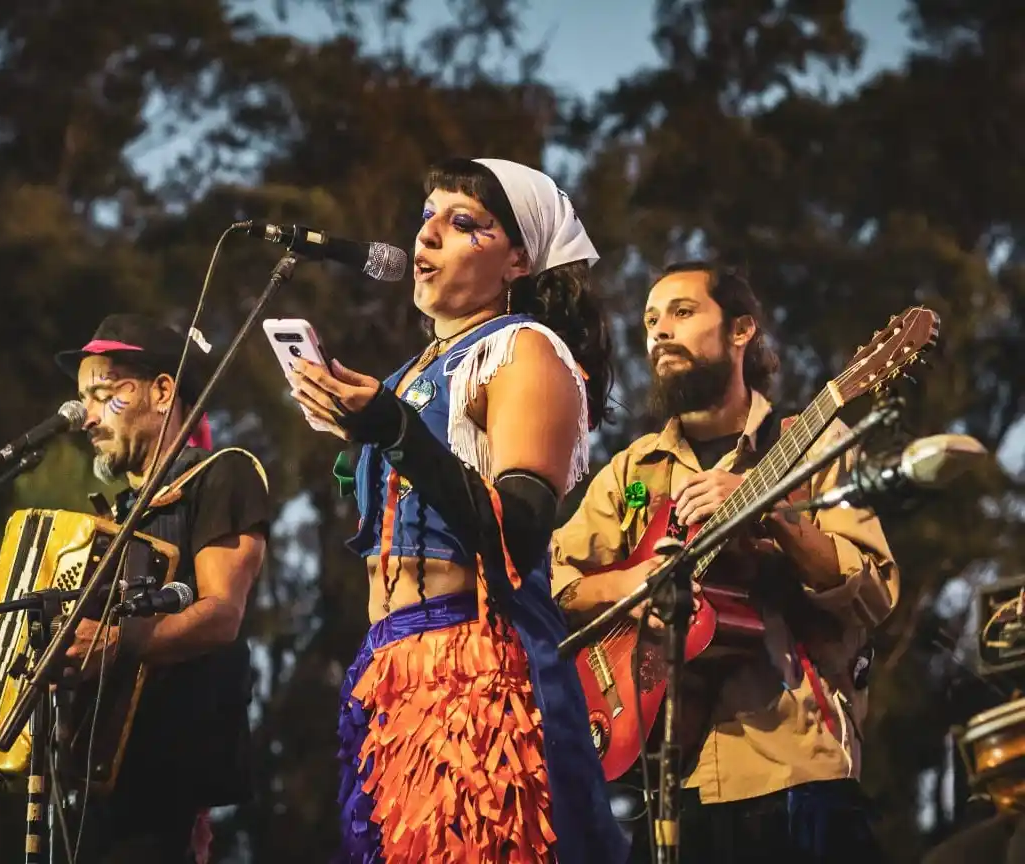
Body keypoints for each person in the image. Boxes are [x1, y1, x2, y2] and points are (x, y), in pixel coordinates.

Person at [288, 157, 628, 862]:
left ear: (518, 261)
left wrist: (395, 431)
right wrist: (361, 436)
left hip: (479, 664)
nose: (428, 234)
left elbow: (520, 533)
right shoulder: (407, 374)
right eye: (427, 217)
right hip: (392, 667)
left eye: (463, 221)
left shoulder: (524, 351)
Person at [551, 262, 900, 864]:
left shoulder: (815, 445)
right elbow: (552, 578)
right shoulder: (632, 470)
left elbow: (873, 592)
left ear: (741, 330)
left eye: (682, 313)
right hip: (670, 788)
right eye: (651, 321)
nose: (660, 332)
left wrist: (771, 515)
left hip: (794, 771)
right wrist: (629, 585)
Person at [53, 313, 271, 863]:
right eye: (83, 399)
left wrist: (117, 643)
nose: (87, 417)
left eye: (104, 394)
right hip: (97, 786)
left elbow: (222, 614)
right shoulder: (118, 514)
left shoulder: (222, 474)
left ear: (162, 390)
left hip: (165, 782)